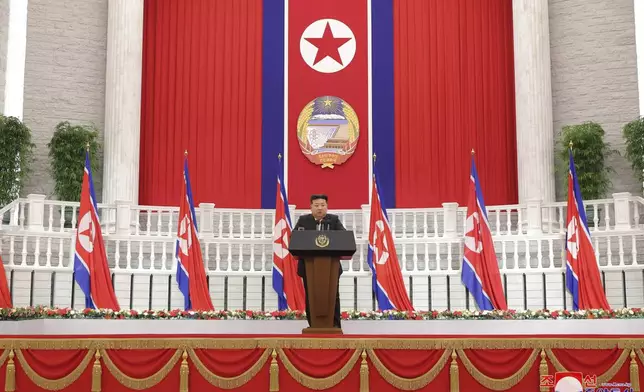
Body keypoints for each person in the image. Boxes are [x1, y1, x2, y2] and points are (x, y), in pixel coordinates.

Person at [293, 194, 345, 328]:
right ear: (311, 207)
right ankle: (313, 325)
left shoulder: (333, 220)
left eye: (322, 205)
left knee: (333, 296)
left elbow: (345, 239)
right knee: (311, 295)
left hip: (331, 269)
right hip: (309, 267)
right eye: (316, 205)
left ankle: (335, 325)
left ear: (327, 207)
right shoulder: (304, 221)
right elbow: (294, 239)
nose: (320, 208)